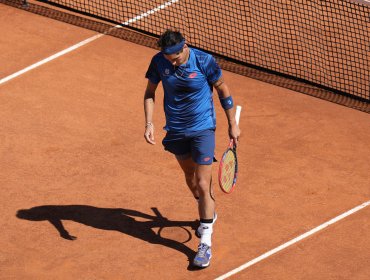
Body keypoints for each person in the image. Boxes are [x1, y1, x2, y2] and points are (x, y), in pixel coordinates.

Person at [143, 29, 240, 268]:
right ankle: (208, 209)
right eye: (169, 59)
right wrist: (149, 122)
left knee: (204, 183)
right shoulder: (159, 62)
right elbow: (149, 93)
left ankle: (205, 240)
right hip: (176, 130)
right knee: (191, 179)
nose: (173, 63)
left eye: (175, 58)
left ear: (184, 47)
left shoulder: (204, 61)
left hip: (202, 128)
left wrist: (232, 123)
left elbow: (223, 89)